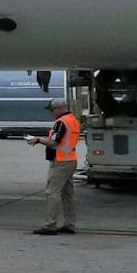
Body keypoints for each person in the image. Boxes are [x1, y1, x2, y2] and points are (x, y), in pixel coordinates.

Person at [27, 98, 81, 235]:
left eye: (52, 110)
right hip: (71, 160)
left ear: (58, 108)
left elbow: (53, 143)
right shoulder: (73, 120)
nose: (51, 113)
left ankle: (50, 225)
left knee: (52, 193)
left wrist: (38, 140)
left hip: (61, 161)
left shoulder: (61, 122)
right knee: (68, 195)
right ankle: (70, 224)